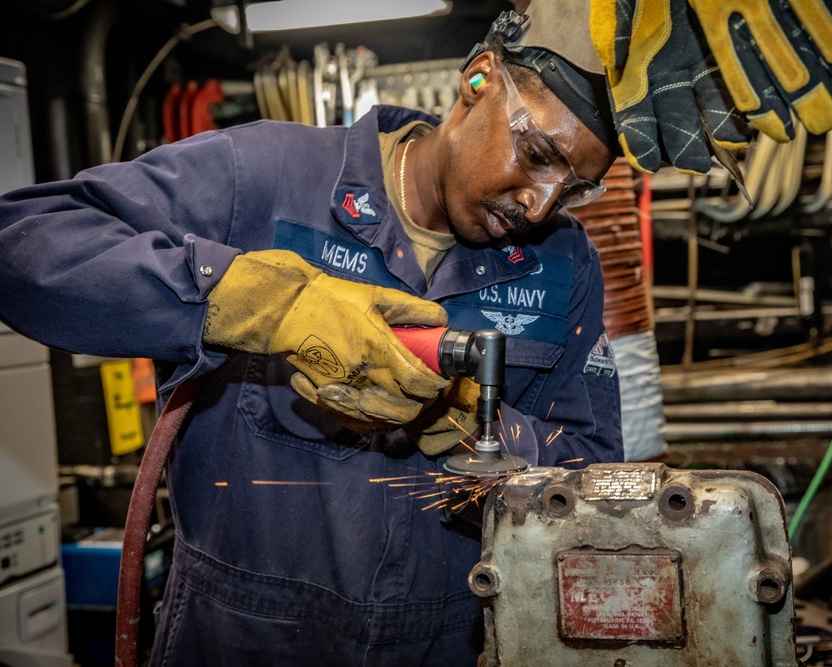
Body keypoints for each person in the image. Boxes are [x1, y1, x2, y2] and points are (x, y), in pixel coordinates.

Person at [0, 10, 623, 666]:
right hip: (242, 643)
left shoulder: (565, 266)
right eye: (539, 154)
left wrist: (486, 429)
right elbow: (21, 246)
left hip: (454, 642)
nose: (543, 203)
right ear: (477, 81)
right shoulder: (264, 180)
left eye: (574, 187)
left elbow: (596, 471)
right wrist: (245, 299)